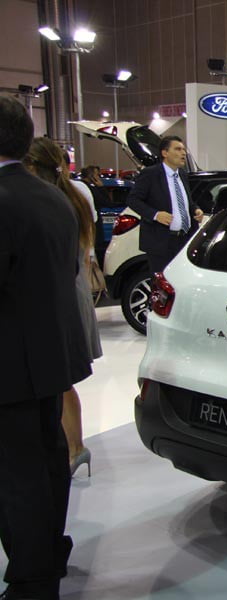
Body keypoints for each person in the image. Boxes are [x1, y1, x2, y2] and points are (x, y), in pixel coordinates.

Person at [0, 96, 91, 600]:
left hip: (10, 363)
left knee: (18, 475)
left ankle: (32, 580)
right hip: (48, 355)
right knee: (47, 461)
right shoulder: (55, 197)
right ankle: (49, 556)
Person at [23, 138, 101, 477]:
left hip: (60, 294)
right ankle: (73, 446)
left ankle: (74, 448)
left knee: (60, 380)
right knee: (63, 380)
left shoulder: (50, 202)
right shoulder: (74, 197)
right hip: (74, 289)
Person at [126, 136, 203, 274]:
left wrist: (196, 209)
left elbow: (186, 201)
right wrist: (155, 215)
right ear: (165, 153)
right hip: (161, 242)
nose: (183, 153)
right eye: (178, 149)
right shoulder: (150, 174)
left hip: (184, 239)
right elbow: (133, 200)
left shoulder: (182, 175)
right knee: (162, 282)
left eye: (183, 149)